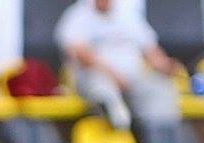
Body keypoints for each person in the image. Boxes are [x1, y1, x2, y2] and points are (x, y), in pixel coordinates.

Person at [55, 0, 181, 131]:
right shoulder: (78, 15)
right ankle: (116, 122)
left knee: (159, 88)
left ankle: (161, 141)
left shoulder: (128, 14)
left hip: (132, 77)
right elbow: (81, 53)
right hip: (99, 76)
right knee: (100, 87)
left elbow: (150, 49)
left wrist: (165, 65)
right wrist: (114, 75)